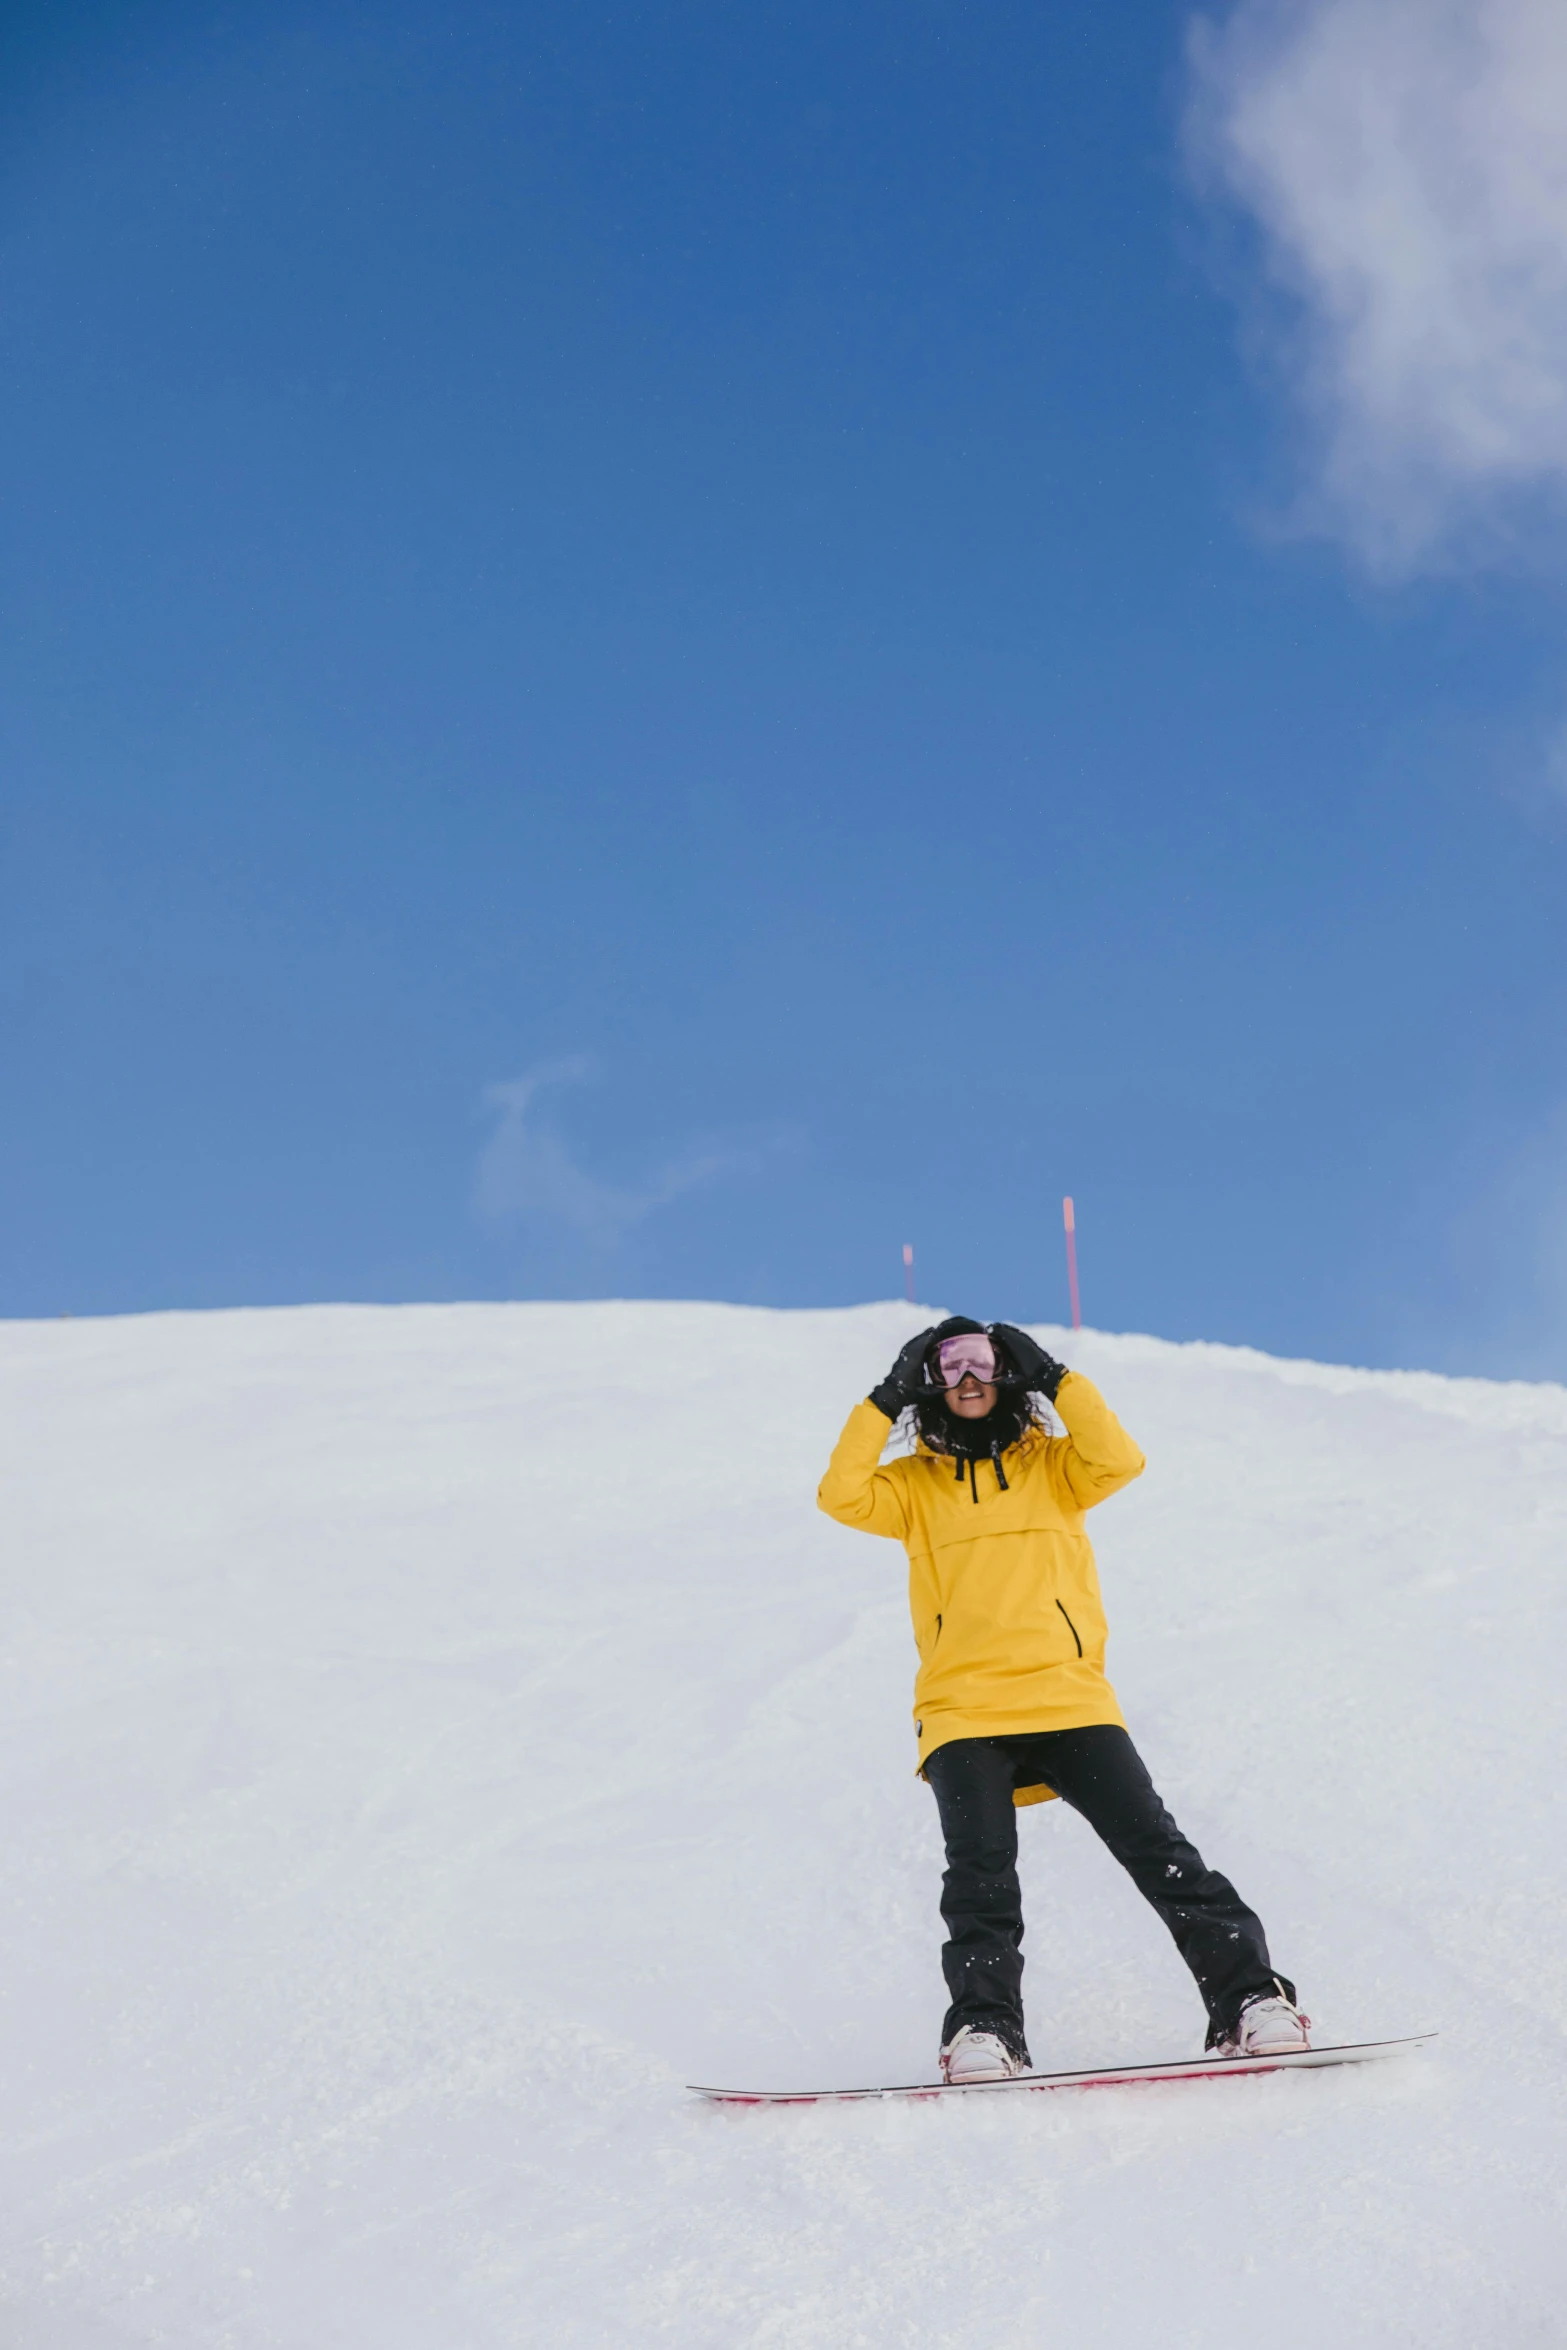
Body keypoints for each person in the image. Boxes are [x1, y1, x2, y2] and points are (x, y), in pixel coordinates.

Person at [817, 1316, 1309, 2084]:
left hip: (1069, 1698)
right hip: (962, 1711)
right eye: (947, 1368)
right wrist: (882, 1400)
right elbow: (838, 1495)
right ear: (928, 1384)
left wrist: (1055, 1378)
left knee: (1160, 1854)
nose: (967, 1379)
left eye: (982, 1363)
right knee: (978, 1879)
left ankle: (1252, 2003)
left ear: (1007, 1373)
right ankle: (984, 2031)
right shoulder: (909, 1487)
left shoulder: (1055, 1467)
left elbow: (1120, 1458)